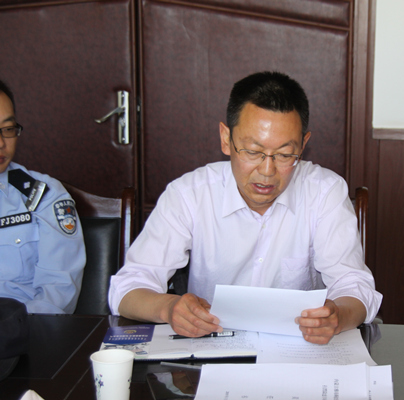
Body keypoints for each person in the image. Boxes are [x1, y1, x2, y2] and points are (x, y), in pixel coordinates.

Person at [109, 71, 382, 344]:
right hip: (210, 348)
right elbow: (127, 289)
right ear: (226, 139)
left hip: (297, 350)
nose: (267, 171)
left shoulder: (324, 192)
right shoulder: (190, 195)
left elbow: (354, 287)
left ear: (303, 145)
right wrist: (169, 308)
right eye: (252, 151)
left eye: (285, 154)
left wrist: (338, 316)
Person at [0, 80, 85, 314]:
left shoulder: (42, 195)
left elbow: (57, 294)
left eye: (8, 129)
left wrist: (12, 330)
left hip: (20, 329)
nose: (1, 143)